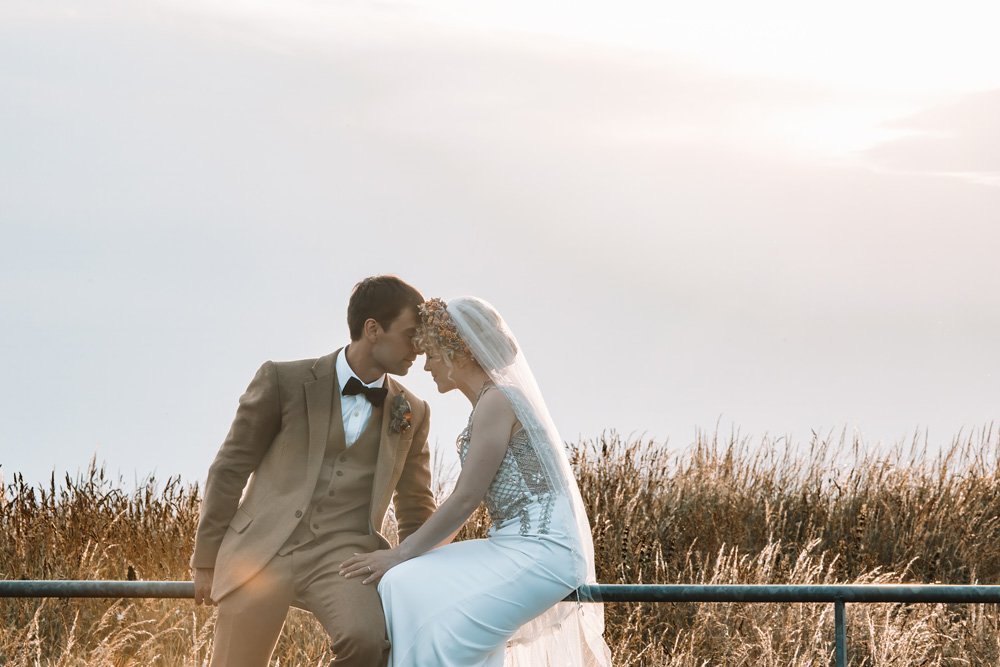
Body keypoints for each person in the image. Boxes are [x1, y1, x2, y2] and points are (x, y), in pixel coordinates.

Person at [340, 296, 612, 666]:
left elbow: (466, 498)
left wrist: (399, 553)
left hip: (546, 551)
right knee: (401, 583)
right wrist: (405, 562)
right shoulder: (487, 402)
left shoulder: (499, 400)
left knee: (442, 633)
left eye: (431, 355)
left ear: (458, 354)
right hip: (508, 543)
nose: (426, 366)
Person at [190, 275, 437, 667]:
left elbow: (415, 504)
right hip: (262, 549)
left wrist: (420, 575)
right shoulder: (283, 380)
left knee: (368, 643)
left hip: (344, 557)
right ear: (373, 329)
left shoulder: (412, 411)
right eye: (410, 335)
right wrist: (205, 560)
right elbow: (230, 467)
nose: (419, 350)